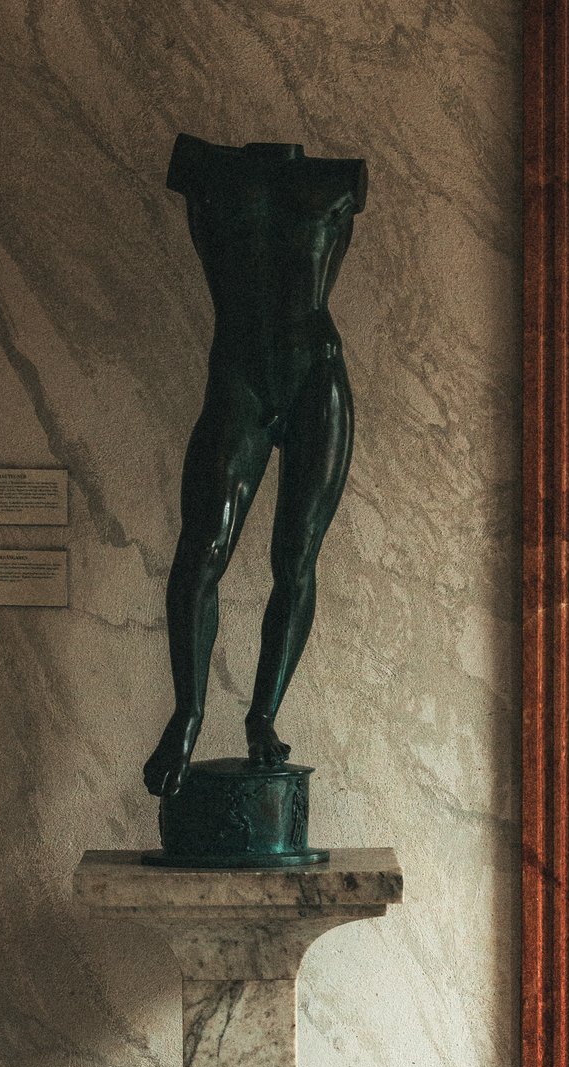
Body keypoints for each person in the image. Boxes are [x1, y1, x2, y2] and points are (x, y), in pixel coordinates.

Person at [144, 134, 367, 796]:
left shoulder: (338, 180)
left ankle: (262, 715)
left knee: (295, 560)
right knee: (203, 548)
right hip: (238, 375)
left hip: (315, 374)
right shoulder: (201, 168)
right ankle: (187, 714)